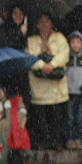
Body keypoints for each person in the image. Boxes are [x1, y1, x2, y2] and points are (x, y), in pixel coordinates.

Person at [25, 13, 69, 151]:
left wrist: (53, 64)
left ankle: (57, 142)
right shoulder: (31, 40)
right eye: (41, 22)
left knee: (57, 118)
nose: (44, 25)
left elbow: (64, 54)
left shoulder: (59, 37)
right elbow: (29, 57)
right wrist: (41, 65)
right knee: (40, 119)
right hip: (39, 87)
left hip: (56, 87)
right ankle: (42, 142)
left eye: (47, 22)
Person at [65, 31, 82, 150]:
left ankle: (78, 139)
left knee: (79, 117)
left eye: (78, 42)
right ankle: (69, 139)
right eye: (73, 42)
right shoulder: (66, 59)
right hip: (68, 92)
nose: (75, 45)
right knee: (69, 117)